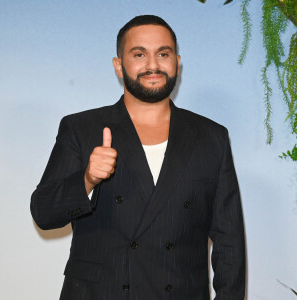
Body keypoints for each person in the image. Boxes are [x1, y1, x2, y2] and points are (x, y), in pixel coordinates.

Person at [31, 15, 246, 300]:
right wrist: (87, 179)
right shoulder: (81, 128)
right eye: (139, 54)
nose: (153, 65)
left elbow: (229, 241)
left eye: (163, 54)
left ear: (177, 62)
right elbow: (44, 214)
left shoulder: (211, 137)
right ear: (119, 66)